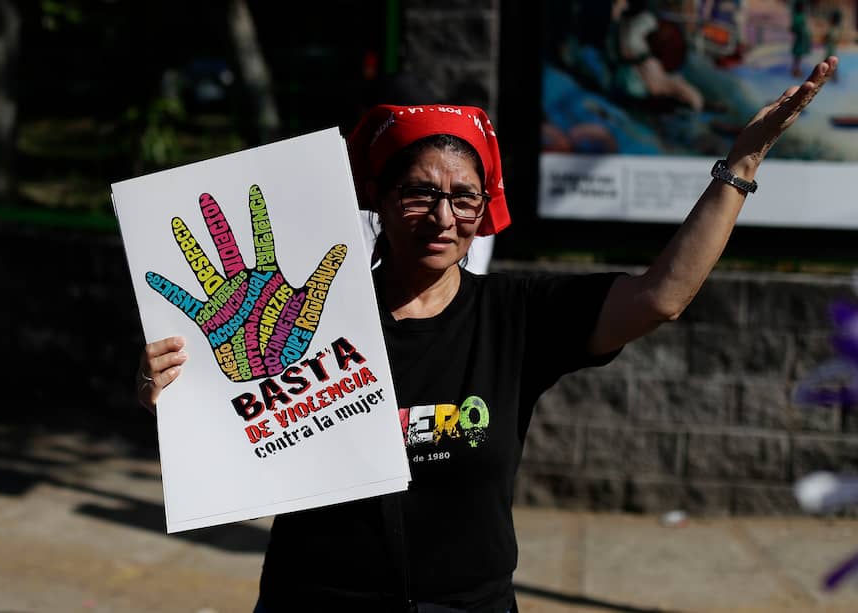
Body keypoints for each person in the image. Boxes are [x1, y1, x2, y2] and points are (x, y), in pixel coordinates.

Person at [137, 57, 838, 612]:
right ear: (378, 199)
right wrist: (185, 388)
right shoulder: (301, 321)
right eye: (418, 191)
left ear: (482, 208)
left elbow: (662, 295)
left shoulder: (517, 314)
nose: (443, 215)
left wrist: (740, 166)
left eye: (463, 196)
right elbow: (223, 446)